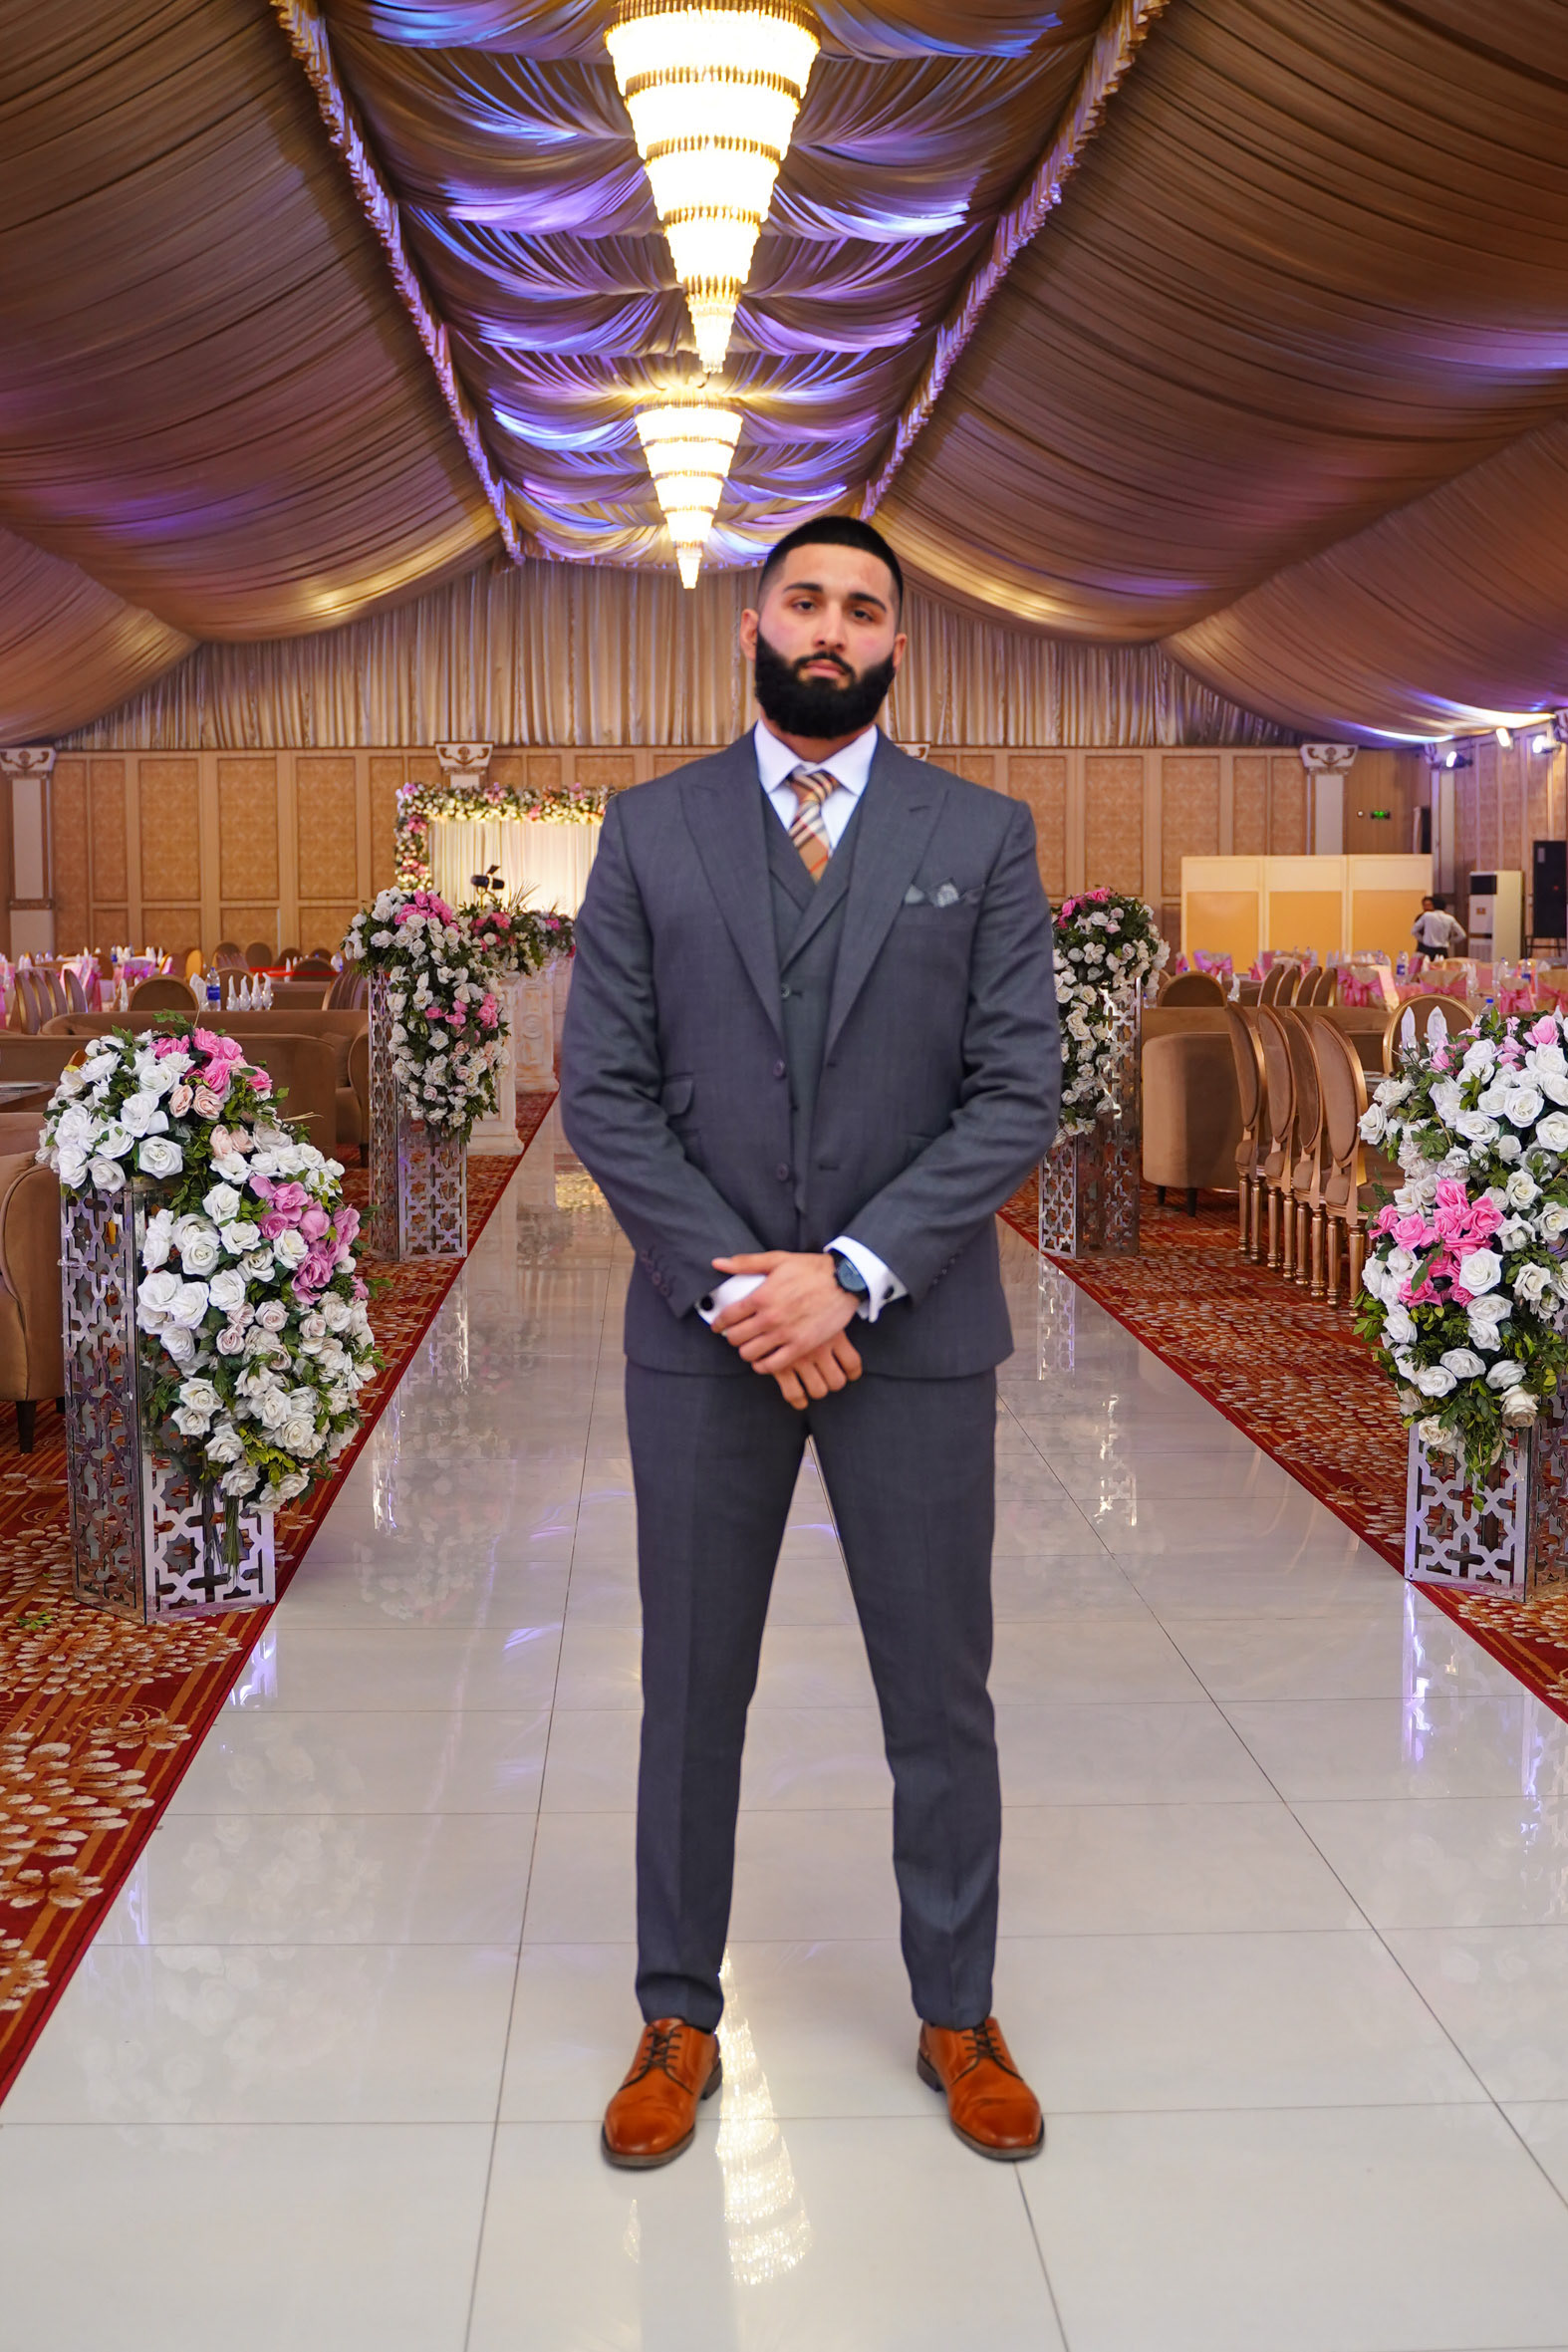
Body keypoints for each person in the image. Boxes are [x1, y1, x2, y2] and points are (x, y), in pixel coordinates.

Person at [561, 514, 1060, 2170]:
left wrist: (844, 1275)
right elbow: (602, 1092)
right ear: (753, 624)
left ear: (895, 644)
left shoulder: (978, 836)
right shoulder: (648, 832)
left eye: (862, 608)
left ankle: (955, 2005)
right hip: (699, 1339)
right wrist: (738, 1287)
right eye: (804, 599)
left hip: (907, 1335)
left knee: (941, 1690)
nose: (830, 627)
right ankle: (672, 2012)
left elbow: (1013, 1094)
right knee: (688, 1689)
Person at [1413, 894, 1466, 958]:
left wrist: (1423, 940)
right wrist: (1449, 942)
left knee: (1427, 967)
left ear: (1433, 905)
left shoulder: (1427, 916)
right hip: (1442, 950)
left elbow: (1414, 931)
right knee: (1442, 967)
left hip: (1428, 949)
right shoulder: (1450, 918)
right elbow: (1462, 935)